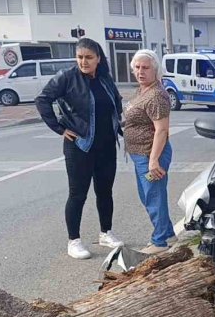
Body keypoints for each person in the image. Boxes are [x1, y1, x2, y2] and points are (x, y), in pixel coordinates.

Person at [35, 38, 125, 259]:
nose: (83, 62)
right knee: (78, 195)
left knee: (105, 191)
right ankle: (73, 241)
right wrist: (59, 128)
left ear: (98, 59)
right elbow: (42, 100)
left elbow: (116, 102)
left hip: (106, 145)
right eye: (80, 57)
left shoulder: (104, 78)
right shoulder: (67, 78)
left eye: (89, 57)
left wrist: (117, 122)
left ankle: (106, 232)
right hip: (80, 146)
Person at [124, 49, 175, 254]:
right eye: (137, 67)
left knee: (154, 197)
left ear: (155, 70)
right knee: (148, 196)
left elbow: (161, 130)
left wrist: (154, 160)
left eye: (145, 68)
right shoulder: (142, 90)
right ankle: (169, 233)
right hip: (140, 155)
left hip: (151, 155)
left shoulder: (156, 95)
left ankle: (160, 241)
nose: (140, 71)